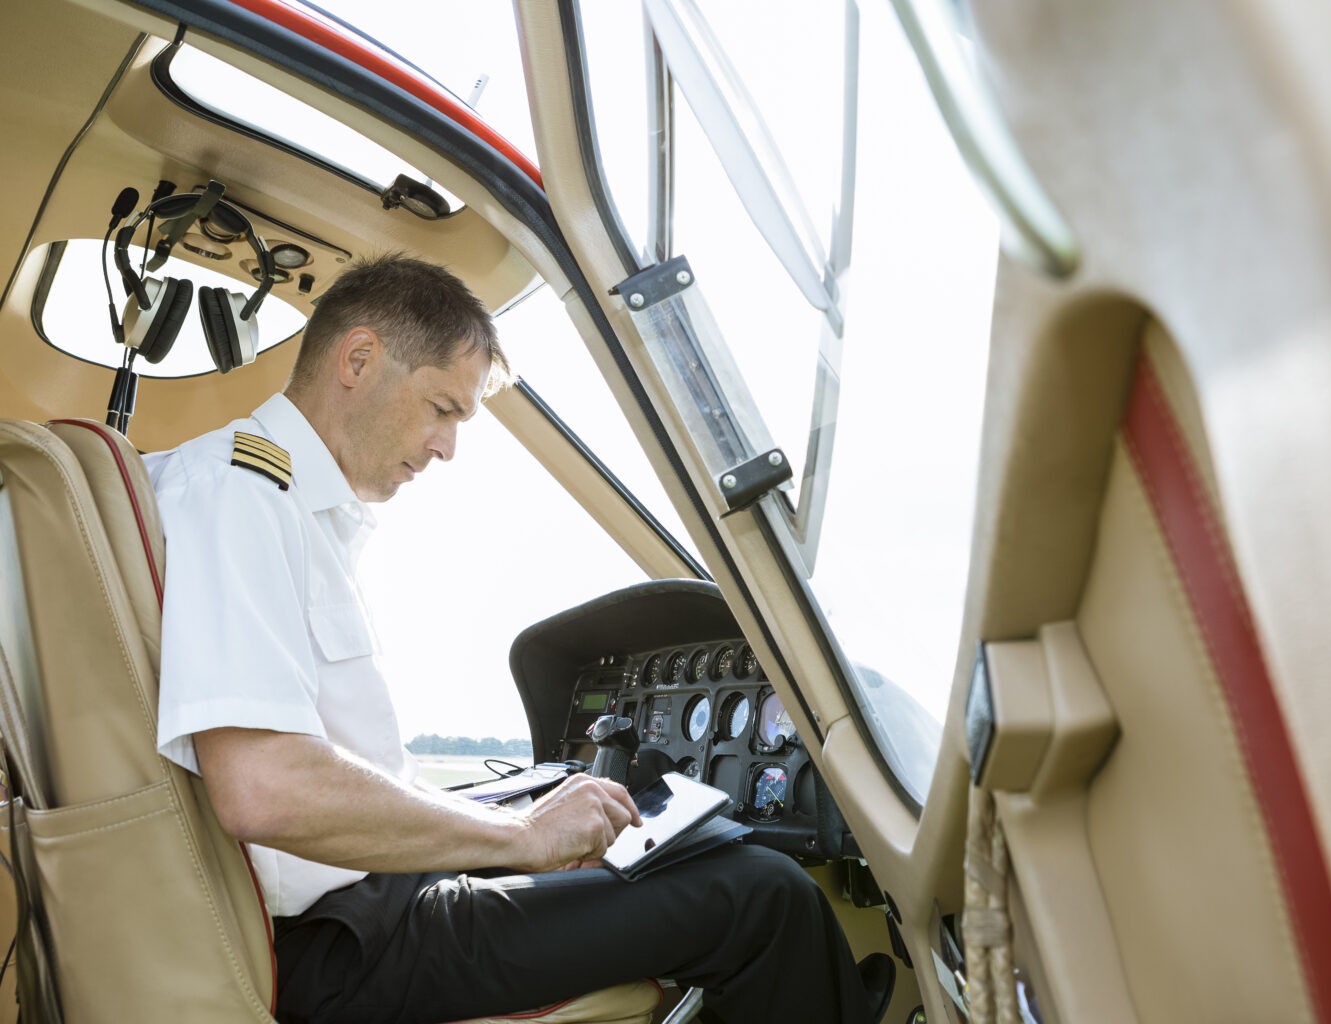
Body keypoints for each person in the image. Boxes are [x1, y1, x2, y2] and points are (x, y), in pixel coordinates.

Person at [146, 254, 888, 1024]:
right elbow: (265, 786)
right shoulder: (240, 495)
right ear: (359, 359)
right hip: (338, 945)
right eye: (442, 408)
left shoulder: (277, 503)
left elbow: (326, 769)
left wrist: (515, 826)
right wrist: (520, 834)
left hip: (363, 904)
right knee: (763, 896)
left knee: (707, 858)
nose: (446, 448)